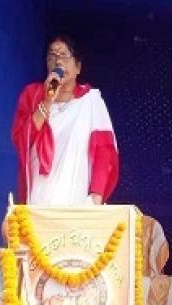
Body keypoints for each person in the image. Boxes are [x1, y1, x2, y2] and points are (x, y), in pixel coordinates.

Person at [11, 34, 119, 206]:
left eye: (64, 55)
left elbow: (104, 152)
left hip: (76, 200)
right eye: (52, 56)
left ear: (78, 67)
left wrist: (96, 196)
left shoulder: (90, 100)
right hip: (38, 197)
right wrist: (48, 100)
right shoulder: (32, 95)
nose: (58, 61)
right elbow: (22, 141)